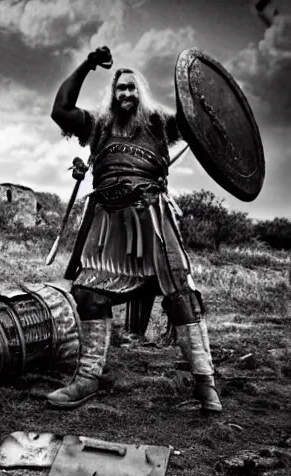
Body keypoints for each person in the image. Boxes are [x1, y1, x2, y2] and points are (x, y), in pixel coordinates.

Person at [47, 46, 222, 414]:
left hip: (152, 219)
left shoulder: (160, 124)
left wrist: (191, 83)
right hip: (109, 222)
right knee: (89, 295)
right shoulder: (98, 126)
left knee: (182, 298)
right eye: (120, 89)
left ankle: (205, 383)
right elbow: (60, 110)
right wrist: (87, 64)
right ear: (113, 94)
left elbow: (197, 119)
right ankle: (87, 379)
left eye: (132, 88)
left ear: (140, 92)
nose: (126, 94)